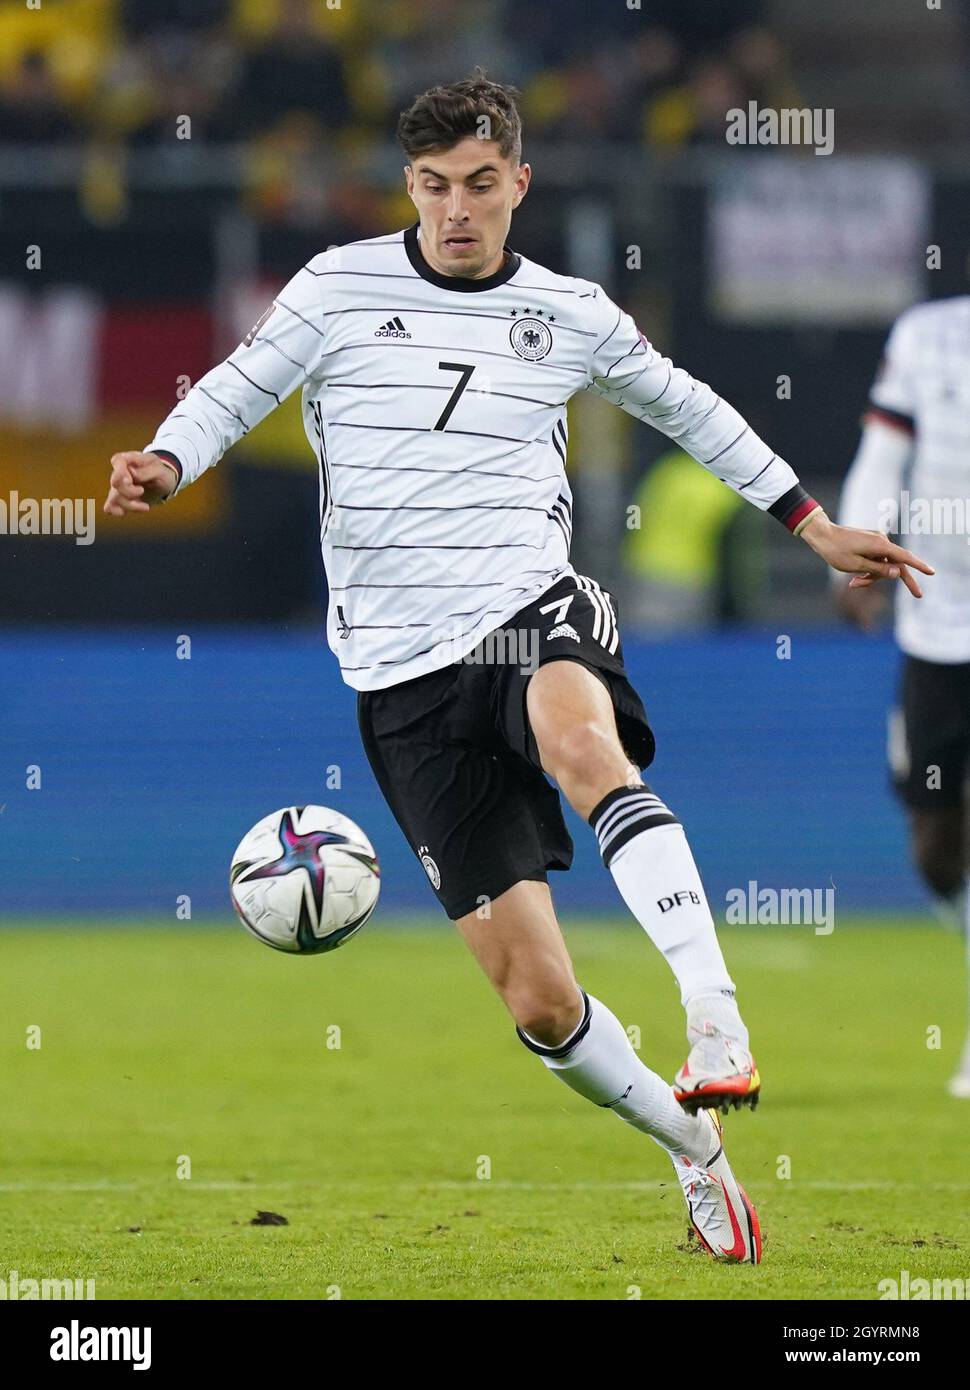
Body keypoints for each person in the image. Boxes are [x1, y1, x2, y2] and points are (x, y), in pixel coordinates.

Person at [104, 73, 932, 1264]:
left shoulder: (572, 312)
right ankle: (694, 1152)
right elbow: (240, 385)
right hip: (398, 674)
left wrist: (811, 524)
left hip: (524, 606)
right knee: (539, 1004)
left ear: (519, 185)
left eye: (480, 185)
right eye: (435, 186)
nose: (456, 209)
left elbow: (689, 408)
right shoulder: (337, 287)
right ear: (410, 186)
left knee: (578, 737)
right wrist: (170, 459)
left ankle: (713, 1014)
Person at [836, 295, 969, 1098]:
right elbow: (883, 456)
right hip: (939, 620)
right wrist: (856, 551)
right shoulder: (929, 334)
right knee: (936, 837)